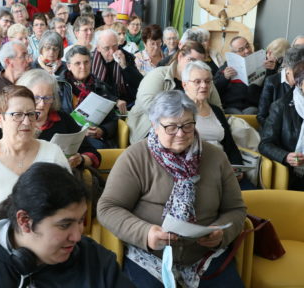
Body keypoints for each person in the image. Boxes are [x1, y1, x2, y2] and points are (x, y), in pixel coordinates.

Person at [97, 90, 246, 288]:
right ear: (155, 126)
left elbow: (236, 209)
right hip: (150, 255)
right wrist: (146, 233)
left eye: (187, 125)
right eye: (171, 127)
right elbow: (107, 208)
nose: (181, 134)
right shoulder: (135, 157)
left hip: (205, 255)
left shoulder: (216, 157)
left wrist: (220, 234)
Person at [0, 162, 134, 287]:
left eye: (80, 221)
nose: (77, 236)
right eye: (64, 225)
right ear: (25, 221)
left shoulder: (96, 260)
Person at [0, 85, 71, 247]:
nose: (26, 122)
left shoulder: (52, 153)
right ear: (0, 119)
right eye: (17, 115)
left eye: (31, 114)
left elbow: (68, 206)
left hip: (49, 245)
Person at [127, 41, 221, 144]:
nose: (195, 66)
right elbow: (148, 106)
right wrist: (180, 123)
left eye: (200, 63)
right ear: (180, 57)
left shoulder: (205, 80)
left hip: (196, 130)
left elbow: (217, 109)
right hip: (152, 129)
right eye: (191, 60)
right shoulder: (158, 75)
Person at [182, 61, 255, 190]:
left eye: (208, 81)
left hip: (225, 170)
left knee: (257, 199)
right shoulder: (179, 112)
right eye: (197, 82)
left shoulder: (216, 110)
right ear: (185, 85)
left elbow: (230, 146)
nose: (204, 86)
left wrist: (238, 169)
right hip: (198, 174)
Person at [17, 69, 101, 168]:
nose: (42, 104)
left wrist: (80, 160)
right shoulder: (12, 121)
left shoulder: (63, 119)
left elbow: (94, 155)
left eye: (47, 98)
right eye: (36, 98)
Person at [60, 45, 118, 149]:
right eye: (78, 63)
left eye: (86, 62)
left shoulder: (101, 86)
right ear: (68, 66)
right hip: (69, 136)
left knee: (100, 148)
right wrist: (79, 129)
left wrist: (102, 131)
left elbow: (113, 119)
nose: (83, 67)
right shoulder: (59, 87)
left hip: (95, 137)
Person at [259, 60, 304, 190]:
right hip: (295, 173)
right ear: (299, 83)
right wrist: (286, 156)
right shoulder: (281, 106)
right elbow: (265, 144)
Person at [214, 36, 274, 114]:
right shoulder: (225, 67)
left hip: (253, 106)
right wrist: (224, 77)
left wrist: (271, 70)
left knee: (251, 111)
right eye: (241, 50)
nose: (247, 51)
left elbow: (270, 87)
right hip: (231, 106)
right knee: (234, 113)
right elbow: (215, 90)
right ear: (233, 54)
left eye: (247, 46)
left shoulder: (262, 62)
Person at [93, 29, 143, 114]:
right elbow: (93, 89)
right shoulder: (90, 61)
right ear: (98, 48)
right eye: (107, 48)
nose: (112, 51)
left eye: (114, 46)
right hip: (101, 107)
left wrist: (125, 66)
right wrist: (114, 100)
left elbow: (140, 83)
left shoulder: (126, 56)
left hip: (128, 105)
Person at [257, 46, 304, 127]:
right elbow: (261, 116)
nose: (302, 76)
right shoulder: (272, 82)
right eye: (299, 72)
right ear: (288, 69)